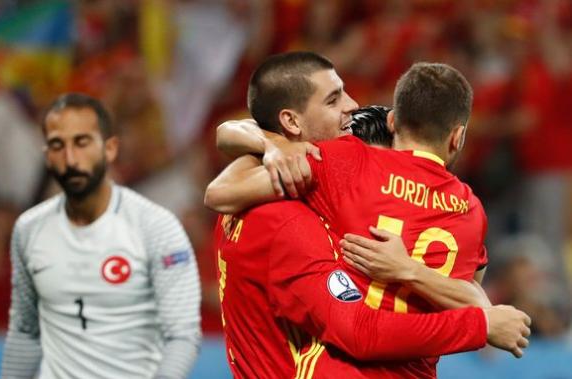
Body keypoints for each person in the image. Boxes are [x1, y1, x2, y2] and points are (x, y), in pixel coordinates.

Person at [206, 52, 531, 378]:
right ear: (457, 137)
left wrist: (268, 142)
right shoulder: (290, 219)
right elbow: (360, 332)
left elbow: (221, 183)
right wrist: (477, 323)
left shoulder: (301, 187)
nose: (352, 104)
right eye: (333, 99)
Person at [0, 93, 201, 379]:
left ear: (109, 149)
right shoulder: (29, 230)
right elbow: (25, 333)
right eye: (58, 145)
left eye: (82, 143)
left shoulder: (157, 227)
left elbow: (182, 335)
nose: (71, 159)